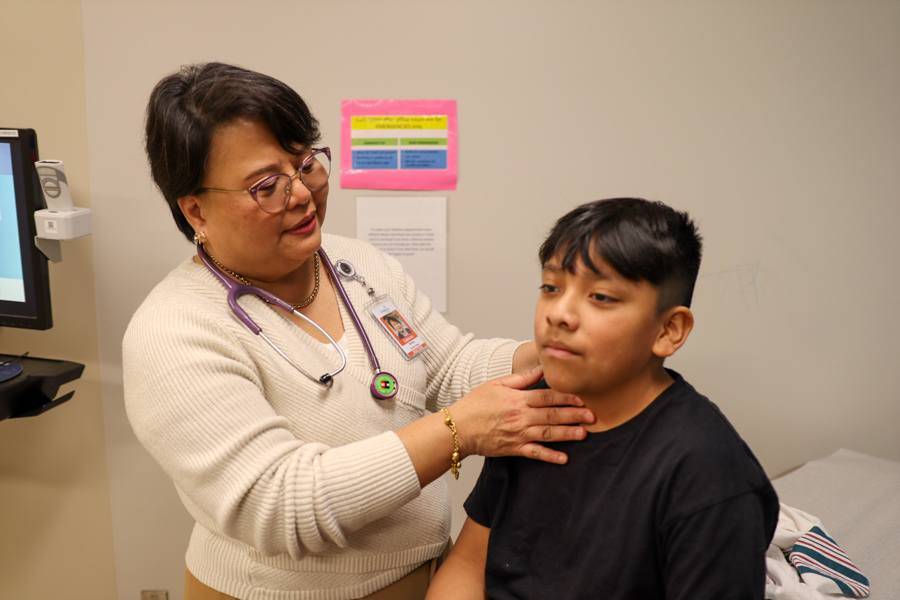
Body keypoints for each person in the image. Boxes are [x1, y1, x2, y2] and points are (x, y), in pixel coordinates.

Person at [122, 62, 595, 600]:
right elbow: (282, 505)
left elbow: (446, 366)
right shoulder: (173, 332)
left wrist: (555, 352)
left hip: (428, 577)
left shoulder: (357, 264)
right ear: (195, 209)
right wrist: (459, 431)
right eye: (268, 185)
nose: (302, 194)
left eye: (307, 164)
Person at [426, 198, 779, 600]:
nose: (559, 313)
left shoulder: (707, 471)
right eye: (551, 287)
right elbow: (470, 565)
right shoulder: (530, 414)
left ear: (669, 329)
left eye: (602, 297)